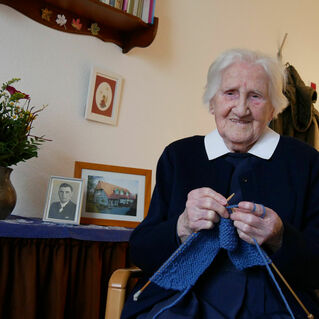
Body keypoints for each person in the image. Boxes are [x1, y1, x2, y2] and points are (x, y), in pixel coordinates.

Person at [121, 49, 319, 319]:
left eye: (256, 96)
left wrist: (281, 238)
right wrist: (182, 227)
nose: (241, 108)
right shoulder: (179, 156)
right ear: (211, 102)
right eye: (230, 93)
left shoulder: (305, 161)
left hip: (275, 304)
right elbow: (141, 250)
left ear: (273, 108)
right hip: (183, 300)